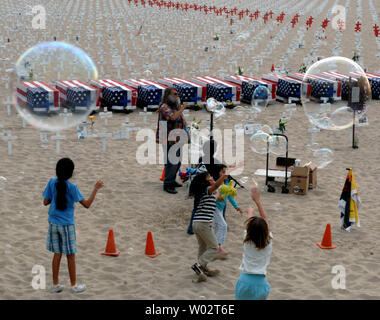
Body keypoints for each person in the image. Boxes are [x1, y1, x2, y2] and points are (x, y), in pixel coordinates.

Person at [42, 158, 104, 294]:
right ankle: (74, 285)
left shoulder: (52, 182)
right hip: (67, 225)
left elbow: (45, 202)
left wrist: (55, 196)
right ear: (71, 173)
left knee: (57, 254)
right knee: (70, 255)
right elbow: (87, 204)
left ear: (57, 171)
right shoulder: (72, 187)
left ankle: (55, 284)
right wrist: (95, 189)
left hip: (53, 223)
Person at [189, 170, 229, 282]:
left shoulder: (207, 193)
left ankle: (202, 269)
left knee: (203, 247)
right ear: (205, 180)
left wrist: (225, 189)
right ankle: (199, 264)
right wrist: (223, 177)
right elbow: (216, 185)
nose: (212, 177)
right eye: (210, 176)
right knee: (214, 247)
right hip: (203, 223)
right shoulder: (206, 190)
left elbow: (219, 197)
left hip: (197, 223)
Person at [235, 187, 272, 300]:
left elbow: (250, 225)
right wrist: (258, 201)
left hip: (245, 281)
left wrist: (250, 212)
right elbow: (265, 219)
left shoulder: (247, 239)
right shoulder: (268, 240)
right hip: (261, 282)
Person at [156, 87, 189, 194]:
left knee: (178, 161)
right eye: (174, 94)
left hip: (177, 138)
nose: (177, 96)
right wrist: (183, 108)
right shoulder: (164, 107)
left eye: (177, 94)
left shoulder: (175, 106)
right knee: (171, 162)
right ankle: (168, 184)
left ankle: (172, 180)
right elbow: (173, 118)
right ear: (168, 95)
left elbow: (180, 119)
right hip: (168, 139)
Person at [213, 164, 243, 255]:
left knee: (217, 227)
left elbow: (230, 196)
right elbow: (213, 194)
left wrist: (236, 207)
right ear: (218, 173)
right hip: (215, 208)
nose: (225, 173)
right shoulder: (216, 183)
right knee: (223, 226)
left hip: (221, 208)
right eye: (223, 171)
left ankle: (212, 245)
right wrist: (218, 198)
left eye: (225, 172)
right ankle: (218, 247)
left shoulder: (226, 183)